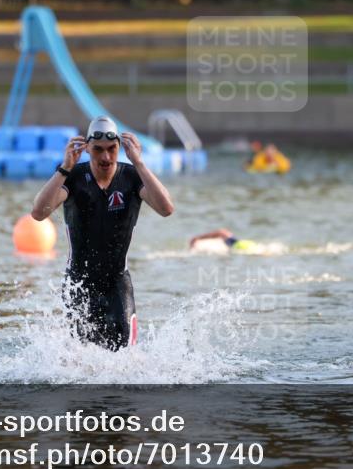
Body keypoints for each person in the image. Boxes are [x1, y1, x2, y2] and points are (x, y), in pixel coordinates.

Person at [30, 116, 174, 350]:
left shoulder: (131, 177)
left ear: (119, 147)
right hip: (79, 283)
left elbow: (166, 208)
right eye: (98, 150)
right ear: (87, 148)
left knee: (126, 359)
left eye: (111, 149)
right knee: (80, 362)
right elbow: (38, 213)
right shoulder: (73, 177)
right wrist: (64, 168)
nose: (105, 157)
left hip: (117, 283)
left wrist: (139, 162)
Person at [188, 228, 258, 254]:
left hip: (242, 246)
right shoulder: (230, 241)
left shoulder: (230, 239)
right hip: (247, 244)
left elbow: (221, 232)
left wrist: (198, 237)